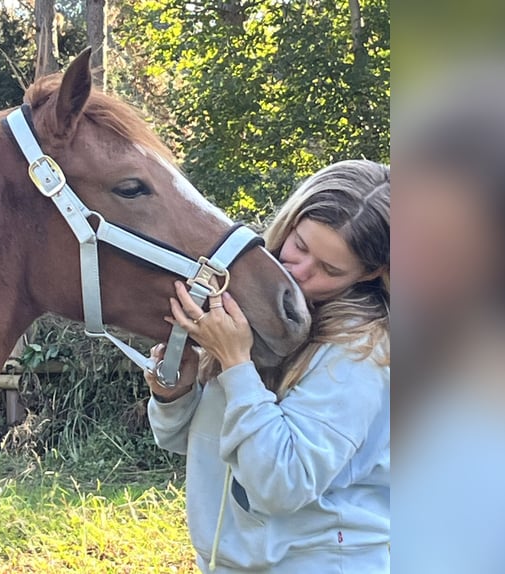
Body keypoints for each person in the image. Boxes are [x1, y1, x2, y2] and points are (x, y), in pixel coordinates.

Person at [143, 159, 390, 573]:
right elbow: (192, 444)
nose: (300, 273)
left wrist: (235, 362)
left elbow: (281, 484)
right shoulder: (257, 314)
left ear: (372, 273)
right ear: (289, 222)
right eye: (301, 246)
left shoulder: (360, 350)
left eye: (330, 269)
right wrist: (175, 393)